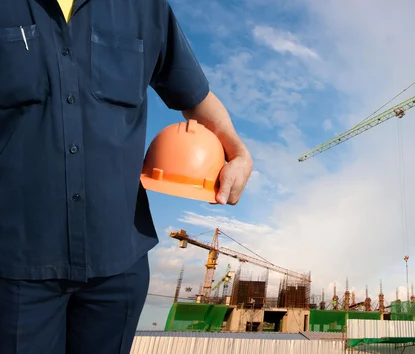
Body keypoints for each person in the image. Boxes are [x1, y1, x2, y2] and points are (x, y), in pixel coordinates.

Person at [0, 0, 252, 353]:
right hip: (14, 265)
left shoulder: (145, 7)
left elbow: (195, 96)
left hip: (119, 264)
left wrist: (238, 151)